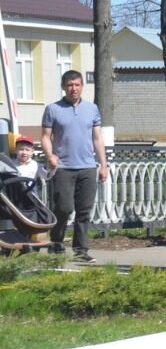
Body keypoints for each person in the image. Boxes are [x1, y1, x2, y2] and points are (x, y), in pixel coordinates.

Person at [40, 70, 109, 263]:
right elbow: (45, 137)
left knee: (84, 211)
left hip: (87, 167)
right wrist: (50, 155)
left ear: (82, 87)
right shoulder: (53, 109)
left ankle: (81, 250)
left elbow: (97, 138)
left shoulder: (92, 109)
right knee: (63, 208)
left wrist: (103, 165)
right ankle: (56, 243)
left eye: (77, 85)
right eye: (70, 85)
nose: (74, 89)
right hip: (63, 167)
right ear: (63, 87)